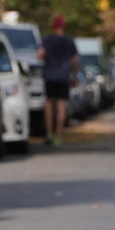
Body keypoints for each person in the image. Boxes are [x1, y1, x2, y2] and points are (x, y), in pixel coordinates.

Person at [38, 16, 79, 146]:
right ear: (64, 26)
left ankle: (49, 133)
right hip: (63, 76)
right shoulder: (68, 41)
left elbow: (40, 55)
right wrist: (75, 76)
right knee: (61, 104)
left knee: (48, 103)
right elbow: (75, 60)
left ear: (53, 26)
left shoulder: (47, 39)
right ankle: (58, 135)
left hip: (49, 76)